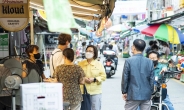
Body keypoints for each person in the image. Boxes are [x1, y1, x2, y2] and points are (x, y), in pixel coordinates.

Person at [121, 39, 154, 110]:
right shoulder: (149, 61)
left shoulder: (129, 61)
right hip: (146, 94)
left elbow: (125, 77)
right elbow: (151, 79)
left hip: (133, 94)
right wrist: (150, 92)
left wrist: (124, 91)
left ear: (134, 47)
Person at [78, 45, 106, 110]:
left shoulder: (99, 64)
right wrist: (84, 78)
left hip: (95, 92)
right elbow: (77, 76)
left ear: (94, 53)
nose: (88, 52)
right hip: (83, 92)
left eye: (90, 51)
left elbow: (103, 76)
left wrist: (94, 79)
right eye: (87, 51)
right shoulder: (80, 64)